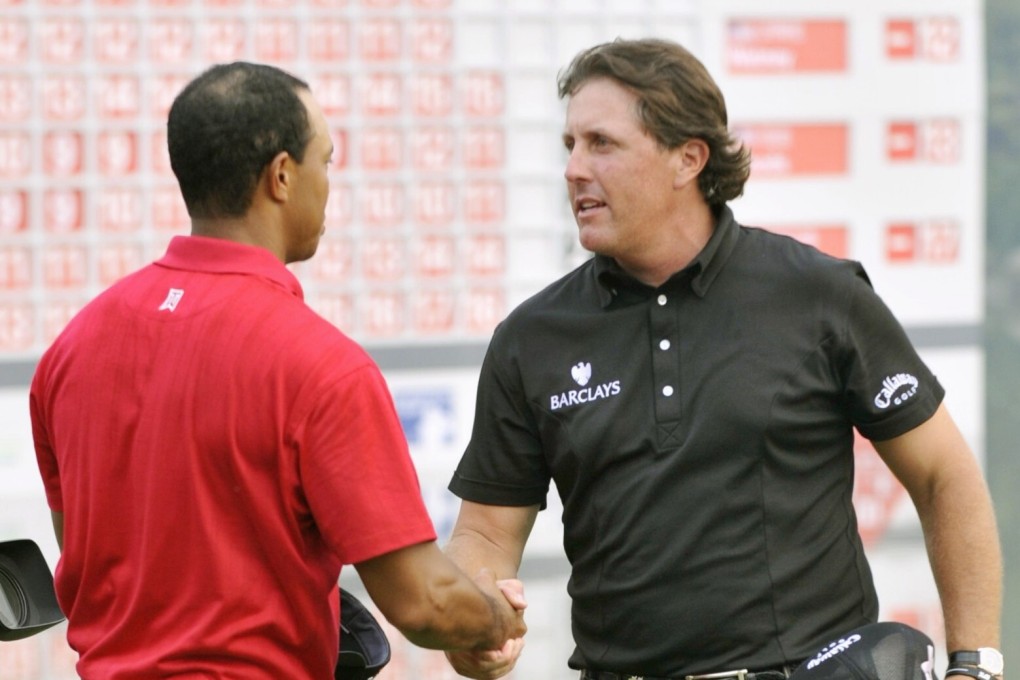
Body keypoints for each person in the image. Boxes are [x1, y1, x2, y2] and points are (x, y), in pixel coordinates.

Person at [442, 37, 1002, 680]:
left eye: (602, 143)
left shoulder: (818, 293)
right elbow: (484, 535)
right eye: (570, 145)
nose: (573, 168)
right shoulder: (531, 338)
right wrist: (475, 619)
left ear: (688, 158)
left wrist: (975, 662)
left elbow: (943, 476)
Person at [29, 61, 525, 679]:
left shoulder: (70, 351)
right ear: (282, 176)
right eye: (327, 160)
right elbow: (423, 601)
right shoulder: (321, 367)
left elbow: (87, 552)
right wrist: (496, 620)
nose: (328, 182)